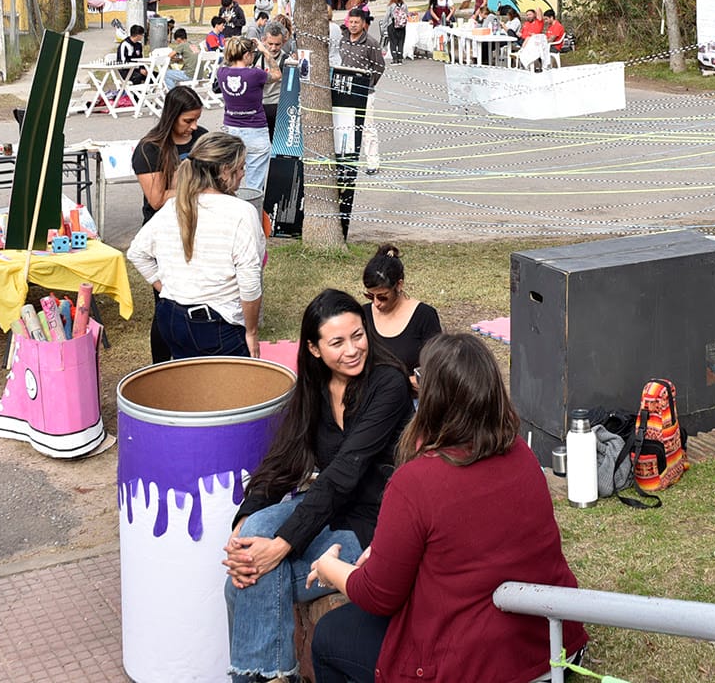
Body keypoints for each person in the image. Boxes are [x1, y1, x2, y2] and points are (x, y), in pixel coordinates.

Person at [308, 332, 588, 683]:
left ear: (432, 397)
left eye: (421, 378)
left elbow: (377, 595)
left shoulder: (415, 482)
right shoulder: (522, 454)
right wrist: (381, 553)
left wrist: (329, 566)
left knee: (330, 635)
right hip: (553, 647)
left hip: (478, 663)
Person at [224, 289, 414, 683]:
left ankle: (262, 678)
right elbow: (282, 459)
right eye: (337, 342)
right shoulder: (314, 387)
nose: (352, 349)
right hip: (327, 510)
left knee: (242, 583)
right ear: (313, 349)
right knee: (253, 540)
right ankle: (274, 676)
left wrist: (281, 546)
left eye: (358, 335)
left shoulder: (389, 384)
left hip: (372, 522)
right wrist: (243, 521)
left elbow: (345, 472)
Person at [128, 133, 265, 359]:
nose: (243, 175)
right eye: (240, 168)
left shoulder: (175, 204)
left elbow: (137, 252)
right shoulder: (241, 212)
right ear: (224, 171)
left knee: (189, 389)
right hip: (215, 324)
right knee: (234, 391)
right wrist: (251, 331)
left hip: (170, 317)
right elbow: (249, 283)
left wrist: (168, 290)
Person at [132, 87, 209, 363]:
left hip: (199, 230)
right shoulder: (149, 148)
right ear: (172, 116)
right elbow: (156, 199)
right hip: (164, 235)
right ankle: (162, 366)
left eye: (196, 119)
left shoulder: (202, 138)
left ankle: (197, 358)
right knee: (167, 304)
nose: (194, 126)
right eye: (188, 120)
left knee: (201, 298)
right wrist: (196, 189)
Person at [334, 10, 387, 241]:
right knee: (344, 127)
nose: (354, 25)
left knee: (367, 128)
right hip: (344, 89)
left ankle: (373, 162)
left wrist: (368, 83)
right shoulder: (342, 39)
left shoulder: (371, 43)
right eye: (351, 22)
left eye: (357, 22)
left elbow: (380, 66)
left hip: (365, 92)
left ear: (363, 24)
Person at [360, 245, 442, 376]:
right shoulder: (362, 314)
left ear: (399, 285)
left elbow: (437, 365)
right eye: (370, 296)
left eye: (382, 297)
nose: (376, 303)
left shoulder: (424, 315)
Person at [219, 35, 281, 191]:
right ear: (247, 55)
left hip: (231, 128)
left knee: (230, 179)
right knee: (254, 185)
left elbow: (228, 62)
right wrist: (265, 51)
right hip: (255, 129)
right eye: (253, 53)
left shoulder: (221, 72)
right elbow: (277, 74)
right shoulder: (255, 74)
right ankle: (252, 210)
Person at [258, 23, 293, 138]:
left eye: (277, 44)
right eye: (270, 44)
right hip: (258, 105)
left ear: (283, 42)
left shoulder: (287, 60)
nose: (273, 48)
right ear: (263, 40)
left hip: (276, 106)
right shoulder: (255, 57)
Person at [384, 0, 409, 64]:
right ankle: (400, 58)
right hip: (402, 26)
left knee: (393, 42)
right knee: (401, 42)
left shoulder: (391, 5)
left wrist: (384, 27)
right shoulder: (404, 5)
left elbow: (386, 16)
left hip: (392, 25)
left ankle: (394, 58)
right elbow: (407, 14)